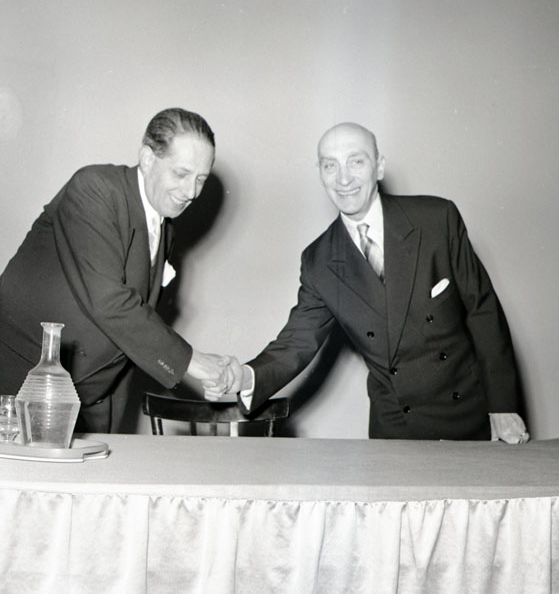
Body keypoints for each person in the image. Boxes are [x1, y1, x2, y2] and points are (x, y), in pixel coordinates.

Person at [208, 122, 529, 443]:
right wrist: (247, 376)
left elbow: (483, 311)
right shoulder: (319, 260)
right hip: (396, 424)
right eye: (330, 166)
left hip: (467, 411)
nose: (343, 179)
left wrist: (502, 406)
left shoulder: (436, 219)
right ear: (320, 173)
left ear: (380, 167)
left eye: (356, 162)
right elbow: (297, 342)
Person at [0, 107, 229, 432]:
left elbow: (126, 338)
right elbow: (109, 302)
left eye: (200, 179)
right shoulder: (94, 188)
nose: (191, 192)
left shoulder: (164, 226)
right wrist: (193, 362)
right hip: (18, 384)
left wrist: (109, 424)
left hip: (91, 398)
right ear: (147, 159)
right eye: (181, 174)